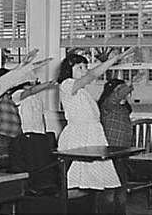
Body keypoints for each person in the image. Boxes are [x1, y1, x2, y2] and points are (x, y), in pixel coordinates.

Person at [57, 47, 134, 214]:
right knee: (77, 181)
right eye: (80, 68)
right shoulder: (67, 85)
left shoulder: (82, 91)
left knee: (101, 181)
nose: (85, 71)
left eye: (85, 67)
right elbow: (92, 75)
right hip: (79, 138)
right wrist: (113, 60)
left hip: (93, 136)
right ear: (68, 70)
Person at [98, 78, 134, 215]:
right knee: (109, 190)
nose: (123, 94)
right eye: (119, 91)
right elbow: (114, 98)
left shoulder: (122, 109)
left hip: (122, 153)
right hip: (110, 153)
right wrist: (127, 87)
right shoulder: (107, 106)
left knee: (121, 188)